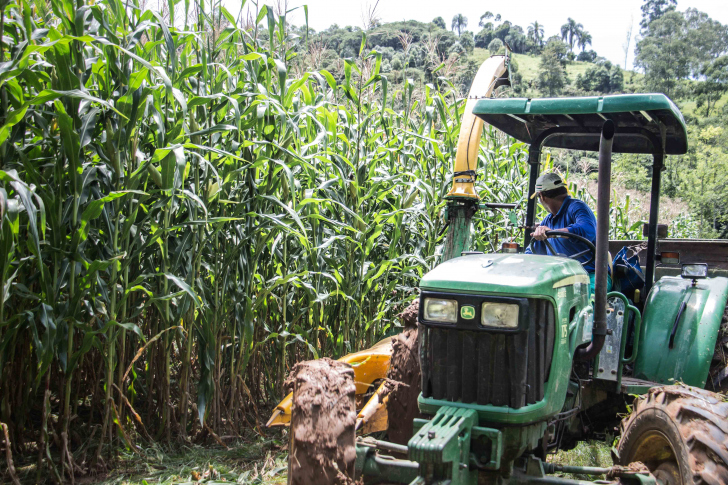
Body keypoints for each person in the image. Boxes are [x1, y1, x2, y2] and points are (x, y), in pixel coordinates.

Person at [524, 172, 610, 296]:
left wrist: (554, 233)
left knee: (589, 305)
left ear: (541, 196)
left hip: (590, 275)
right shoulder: (548, 220)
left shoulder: (577, 207)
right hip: (561, 278)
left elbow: (588, 230)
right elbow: (532, 252)